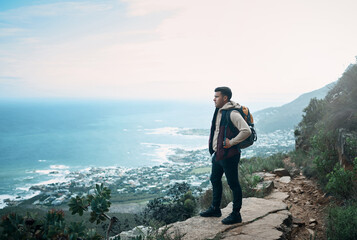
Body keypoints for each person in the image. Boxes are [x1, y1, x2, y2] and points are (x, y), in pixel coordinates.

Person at [200, 86, 252, 225]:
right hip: (218, 155)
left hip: (230, 155)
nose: (214, 99)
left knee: (233, 184)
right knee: (215, 180)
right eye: (214, 96)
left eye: (217, 96)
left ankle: (236, 214)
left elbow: (246, 131)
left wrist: (232, 142)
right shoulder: (219, 111)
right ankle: (215, 208)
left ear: (225, 98)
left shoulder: (232, 113)